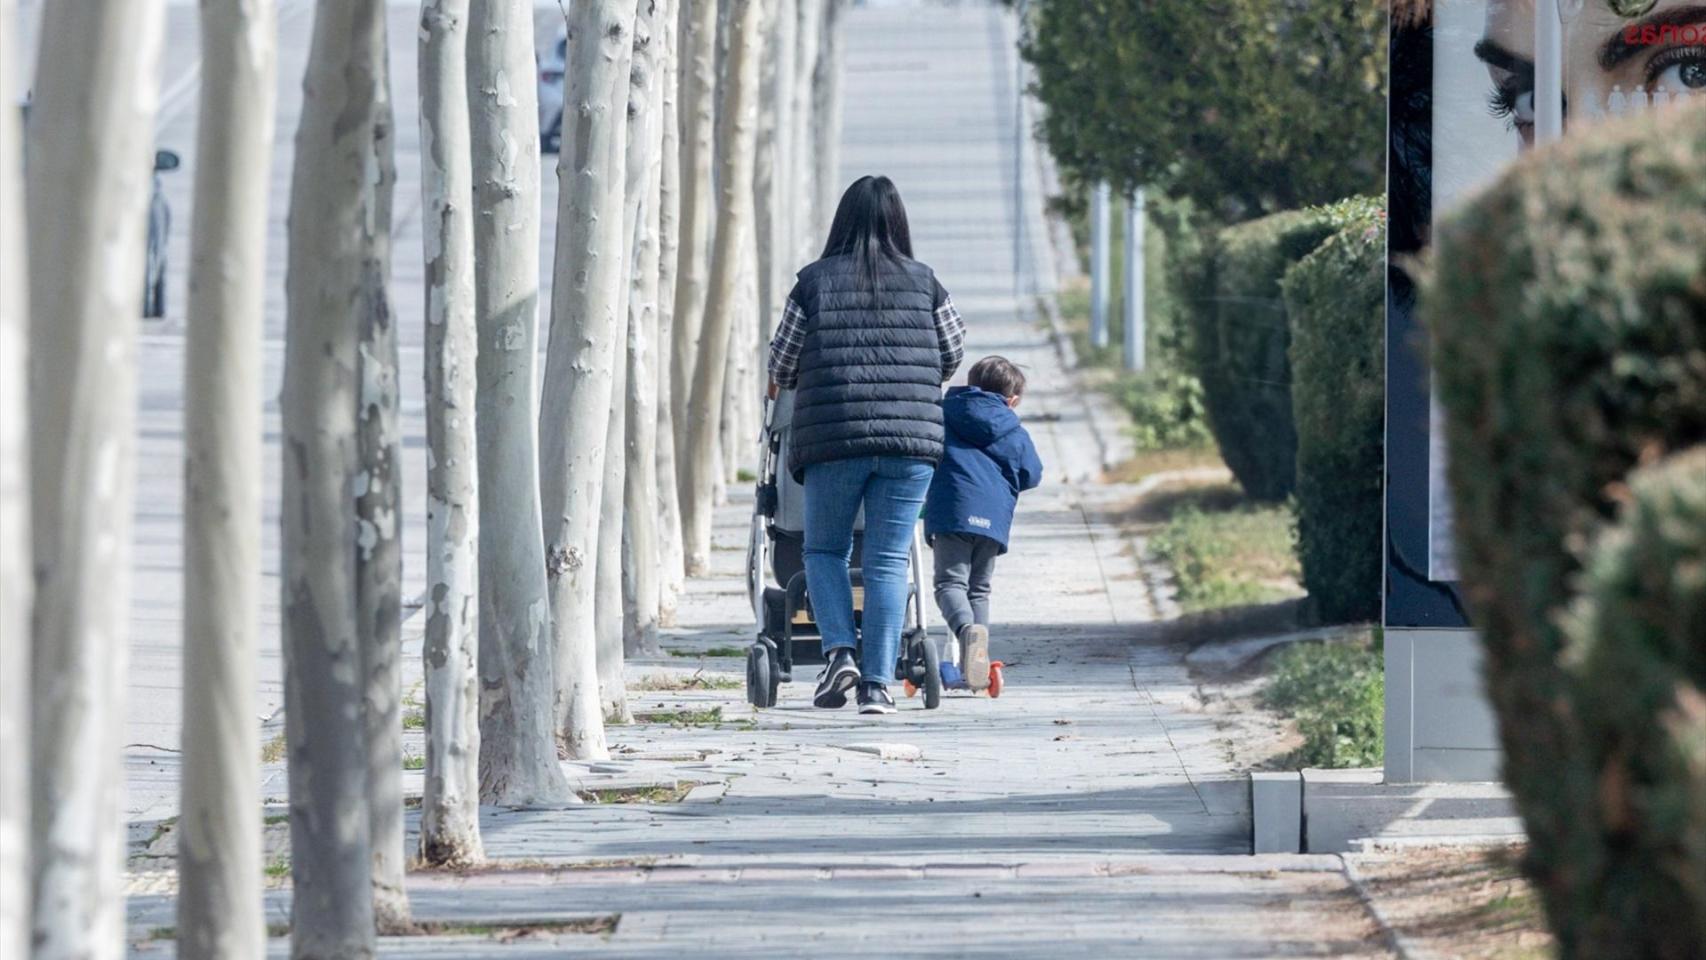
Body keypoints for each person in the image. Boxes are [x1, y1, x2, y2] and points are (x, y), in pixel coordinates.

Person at [766, 175, 966, 715]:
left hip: (834, 440)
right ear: (898, 221)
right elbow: (952, 353)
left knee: (824, 550)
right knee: (885, 561)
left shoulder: (812, 283)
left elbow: (782, 364)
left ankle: (840, 654)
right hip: (910, 444)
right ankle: (877, 686)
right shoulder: (927, 284)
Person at [922, 357, 1043, 691]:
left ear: (971, 383)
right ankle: (978, 660)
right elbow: (1032, 474)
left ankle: (965, 633)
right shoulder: (1014, 430)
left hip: (952, 509)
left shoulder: (942, 411)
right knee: (979, 588)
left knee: (950, 584)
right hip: (993, 519)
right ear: (1013, 400)